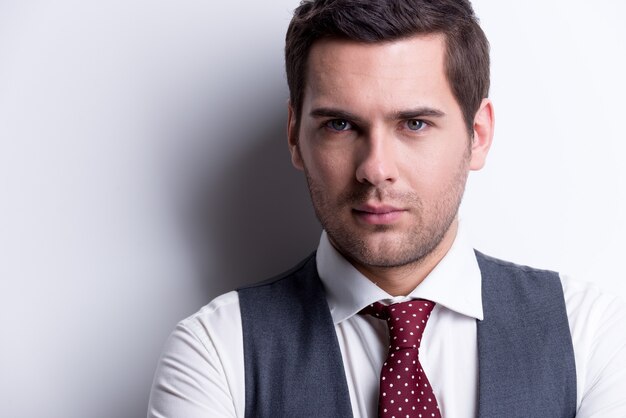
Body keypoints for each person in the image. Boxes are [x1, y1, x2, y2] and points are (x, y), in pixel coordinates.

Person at [147, 1, 626, 417]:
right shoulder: (217, 353)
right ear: (296, 135)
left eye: (414, 123)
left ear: (477, 135)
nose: (375, 169)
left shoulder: (590, 336)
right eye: (340, 124)